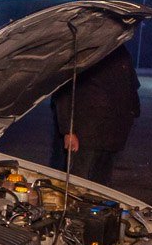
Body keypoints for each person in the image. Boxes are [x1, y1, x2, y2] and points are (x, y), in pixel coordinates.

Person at [49, 45, 140, 186]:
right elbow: (64, 92)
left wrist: (132, 113)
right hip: (85, 136)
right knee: (76, 184)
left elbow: (131, 86)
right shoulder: (84, 50)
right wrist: (68, 130)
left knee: (101, 187)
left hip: (112, 136)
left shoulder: (121, 52)